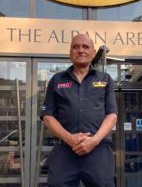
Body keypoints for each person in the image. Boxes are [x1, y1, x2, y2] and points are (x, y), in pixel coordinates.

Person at [40, 33, 118, 187]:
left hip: (98, 149)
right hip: (65, 149)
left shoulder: (105, 79)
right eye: (76, 47)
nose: (81, 50)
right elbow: (47, 116)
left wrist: (94, 141)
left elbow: (112, 115)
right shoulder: (57, 80)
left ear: (93, 53)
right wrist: (69, 138)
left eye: (85, 47)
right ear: (70, 53)